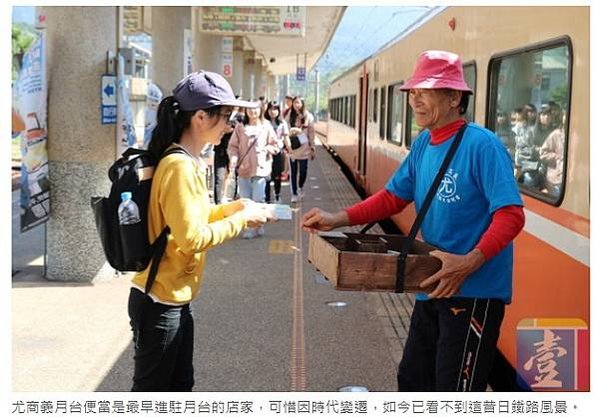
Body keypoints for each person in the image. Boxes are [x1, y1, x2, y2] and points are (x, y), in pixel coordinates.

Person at [302, 50, 525, 391]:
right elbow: (393, 197)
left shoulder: (482, 145)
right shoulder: (424, 144)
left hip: (472, 294)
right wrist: (337, 218)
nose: (415, 99)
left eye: (426, 90)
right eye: (413, 91)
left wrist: (468, 263)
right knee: (413, 381)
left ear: (454, 97)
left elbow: (511, 215)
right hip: (430, 284)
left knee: (455, 392)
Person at [129, 71, 274, 391]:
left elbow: (188, 219)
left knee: (179, 386)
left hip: (171, 297)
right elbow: (191, 238)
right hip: (160, 302)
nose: (230, 125)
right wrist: (239, 221)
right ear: (200, 117)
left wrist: (235, 209)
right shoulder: (180, 165)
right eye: (226, 117)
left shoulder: (184, 160)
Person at [227, 100, 280, 238]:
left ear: (261, 110)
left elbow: (275, 144)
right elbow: (232, 146)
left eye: (255, 109)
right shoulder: (240, 127)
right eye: (249, 109)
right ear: (245, 111)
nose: (253, 112)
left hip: (261, 168)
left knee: (258, 199)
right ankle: (249, 228)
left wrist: (267, 149)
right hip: (244, 168)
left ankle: (259, 224)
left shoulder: (266, 126)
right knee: (246, 200)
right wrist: (233, 157)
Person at [285, 96, 316, 203]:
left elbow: (311, 132)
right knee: (293, 172)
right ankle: (294, 193)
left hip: (305, 148)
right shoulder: (289, 115)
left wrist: (313, 147)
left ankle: (301, 186)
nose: (296, 105)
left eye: (298, 103)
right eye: (294, 103)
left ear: (302, 104)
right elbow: (286, 130)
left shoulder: (309, 116)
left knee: (303, 171)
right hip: (292, 148)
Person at [213, 105, 244, 204]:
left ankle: (233, 198)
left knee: (233, 174)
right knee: (219, 177)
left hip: (234, 151)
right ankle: (218, 202)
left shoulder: (240, 117)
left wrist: (230, 127)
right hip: (220, 149)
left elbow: (237, 129)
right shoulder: (220, 115)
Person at [264, 100, 289, 203]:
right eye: (271, 109)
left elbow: (286, 137)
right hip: (266, 153)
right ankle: (267, 198)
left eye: (275, 109)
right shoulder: (264, 122)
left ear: (279, 111)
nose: (273, 111)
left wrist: (290, 149)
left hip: (278, 153)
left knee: (277, 176)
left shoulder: (282, 123)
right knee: (266, 176)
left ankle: (277, 195)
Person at [539, 110, 566, 198]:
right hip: (556, 179)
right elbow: (543, 153)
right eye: (565, 115)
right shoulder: (556, 134)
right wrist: (557, 157)